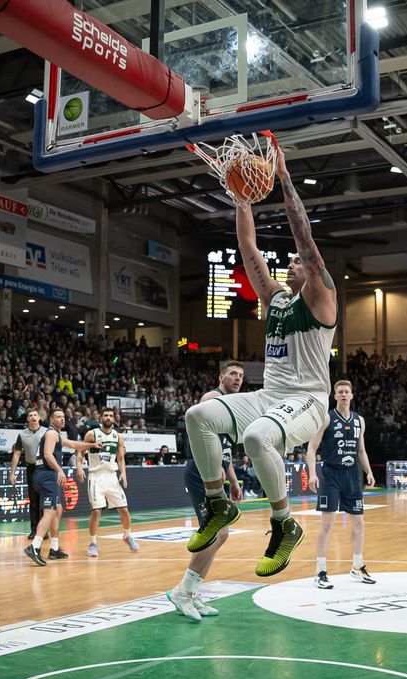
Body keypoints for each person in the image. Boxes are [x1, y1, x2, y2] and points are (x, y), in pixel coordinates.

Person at [182, 147, 336, 577]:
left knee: (255, 438)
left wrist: (283, 177)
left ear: (311, 270)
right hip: (270, 396)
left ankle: (284, 524)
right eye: (286, 260)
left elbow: (305, 241)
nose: (289, 262)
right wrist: (241, 194)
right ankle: (218, 505)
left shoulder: (322, 298)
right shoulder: (275, 299)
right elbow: (247, 244)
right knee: (199, 416)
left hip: (308, 399)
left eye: (295, 262)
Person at [166, 361, 245, 622]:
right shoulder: (213, 398)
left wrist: (233, 480)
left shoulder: (233, 407)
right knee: (214, 533)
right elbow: (201, 434)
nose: (237, 378)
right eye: (233, 374)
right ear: (221, 377)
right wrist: (212, 465)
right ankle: (183, 591)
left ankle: (191, 590)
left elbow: (226, 452)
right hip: (201, 472)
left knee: (221, 534)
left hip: (215, 474)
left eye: (241, 375)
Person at [304, 379, 376, 589]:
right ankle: (320, 570)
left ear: (352, 395)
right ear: (334, 396)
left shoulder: (359, 420)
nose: (344, 394)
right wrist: (312, 474)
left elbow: (361, 450)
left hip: (353, 476)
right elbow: (311, 448)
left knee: (359, 523)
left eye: (347, 391)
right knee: (327, 524)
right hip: (331, 475)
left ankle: (357, 566)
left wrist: (369, 471)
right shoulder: (326, 418)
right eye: (340, 392)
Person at [23, 408, 99, 566]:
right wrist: (59, 470)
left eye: (63, 416)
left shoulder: (56, 434)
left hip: (45, 475)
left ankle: (54, 548)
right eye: (58, 417)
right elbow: (47, 454)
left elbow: (72, 443)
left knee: (57, 509)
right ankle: (34, 547)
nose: (62, 419)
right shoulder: (51, 434)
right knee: (50, 511)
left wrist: (92, 444)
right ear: (51, 420)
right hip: (46, 475)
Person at [84, 407, 137, 556]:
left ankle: (127, 536)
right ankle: (92, 543)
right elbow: (80, 451)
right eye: (105, 415)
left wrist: (124, 473)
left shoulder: (118, 436)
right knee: (96, 512)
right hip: (95, 477)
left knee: (124, 510)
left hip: (111, 477)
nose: (108, 417)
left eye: (110, 415)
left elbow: (120, 458)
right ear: (101, 417)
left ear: (114, 418)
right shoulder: (92, 434)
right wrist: (79, 467)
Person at [10, 409, 46, 539]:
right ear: (27, 419)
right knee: (34, 500)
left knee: (45, 501)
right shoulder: (22, 434)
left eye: (35, 415)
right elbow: (17, 454)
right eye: (30, 415)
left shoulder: (47, 432)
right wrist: (12, 473)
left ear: (39, 418)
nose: (33, 417)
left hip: (45, 468)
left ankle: (44, 530)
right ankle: (34, 530)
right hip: (31, 468)